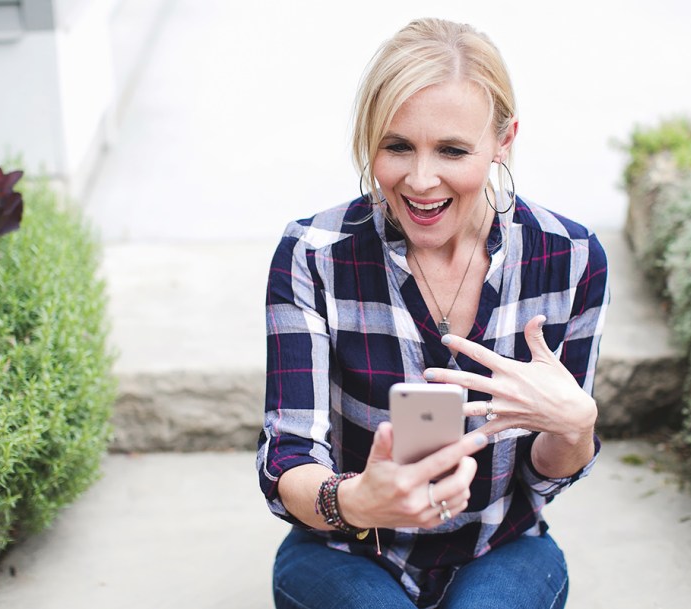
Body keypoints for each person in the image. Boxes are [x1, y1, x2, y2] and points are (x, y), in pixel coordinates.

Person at [256, 17, 608, 609]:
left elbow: (547, 475)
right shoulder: (312, 255)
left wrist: (572, 425)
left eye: (452, 149)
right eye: (397, 146)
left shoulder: (569, 259)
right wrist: (354, 500)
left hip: (500, 545)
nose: (421, 180)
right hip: (345, 549)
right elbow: (289, 455)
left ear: (504, 140)